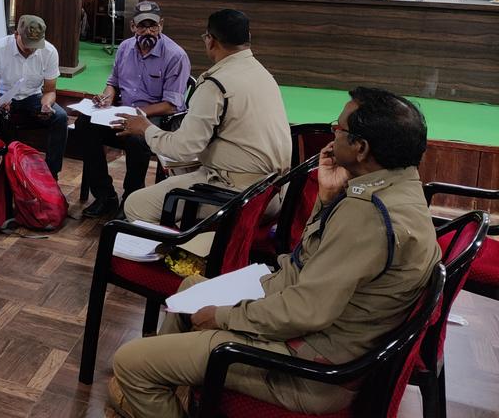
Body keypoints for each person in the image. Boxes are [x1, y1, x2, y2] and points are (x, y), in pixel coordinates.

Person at [108, 87, 441, 418]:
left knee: (131, 363)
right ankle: (176, 390)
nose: (331, 135)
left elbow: (307, 309)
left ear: (361, 148)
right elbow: (308, 267)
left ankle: (155, 384)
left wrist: (224, 317)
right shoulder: (400, 190)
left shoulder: (366, 214)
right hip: (322, 339)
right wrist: (326, 201)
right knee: (190, 289)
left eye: (337, 129)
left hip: (305, 369)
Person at [117, 9, 291, 224]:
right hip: (275, 191)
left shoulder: (215, 84)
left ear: (210, 41)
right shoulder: (263, 73)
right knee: (178, 170)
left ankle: (183, 252)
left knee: (135, 204)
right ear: (248, 39)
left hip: (241, 194)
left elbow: (183, 148)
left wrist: (144, 127)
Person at [78, 1, 190, 218]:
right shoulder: (125, 48)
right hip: (124, 111)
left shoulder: (175, 56)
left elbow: (171, 105)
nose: (148, 31)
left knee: (136, 139)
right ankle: (105, 195)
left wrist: (138, 115)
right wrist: (107, 97)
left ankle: (131, 199)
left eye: (153, 25)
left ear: (162, 25)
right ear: (132, 26)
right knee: (85, 125)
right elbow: (114, 82)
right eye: (142, 26)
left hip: (157, 116)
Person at [0, 15, 67, 204]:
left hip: (33, 98)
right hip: (2, 97)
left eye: (35, 44)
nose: (31, 49)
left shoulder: (49, 51)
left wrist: (46, 104)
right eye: (27, 43)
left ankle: (51, 176)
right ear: (16, 34)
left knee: (61, 117)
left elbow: (50, 91)